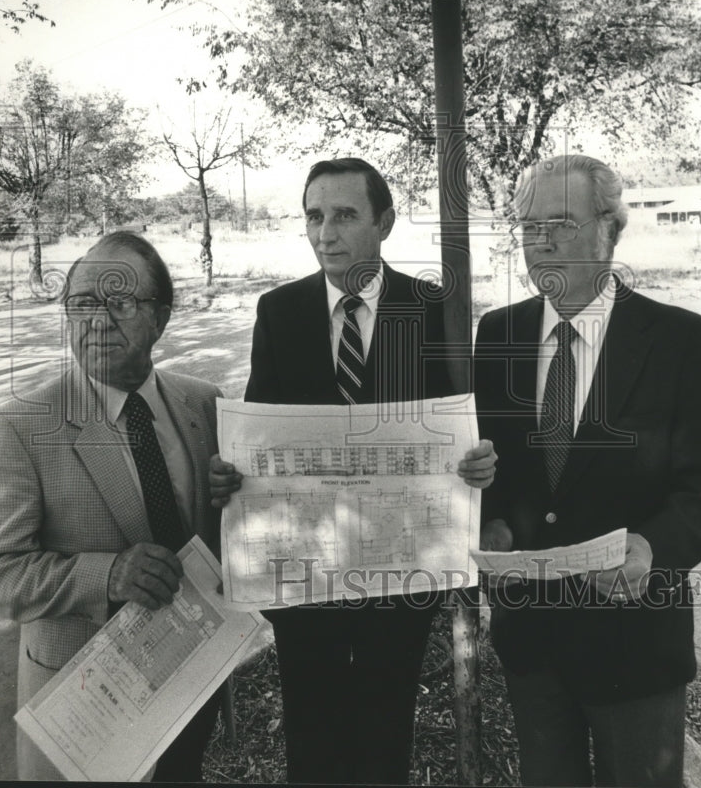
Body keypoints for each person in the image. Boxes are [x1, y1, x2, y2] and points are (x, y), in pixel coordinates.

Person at [211, 157, 496, 785]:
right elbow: (259, 431)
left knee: (384, 729)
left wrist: (477, 461)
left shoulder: (433, 311)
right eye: (314, 216)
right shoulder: (279, 312)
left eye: (344, 215)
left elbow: (459, 424)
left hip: (399, 572)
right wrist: (230, 472)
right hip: (304, 570)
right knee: (311, 733)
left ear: (384, 222)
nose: (325, 233)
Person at [473, 155, 701, 788]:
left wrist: (653, 548)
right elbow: (489, 471)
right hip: (532, 642)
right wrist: (490, 519)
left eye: (561, 223)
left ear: (612, 228)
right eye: (529, 227)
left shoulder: (681, 340)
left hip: (633, 647)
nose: (541, 242)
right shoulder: (496, 335)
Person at [0, 231, 241, 782]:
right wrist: (108, 575)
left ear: (161, 317)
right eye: (81, 303)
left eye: (120, 302)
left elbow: (216, 529)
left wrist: (237, 502)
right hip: (86, 707)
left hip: (193, 679)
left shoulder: (204, 402)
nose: (97, 321)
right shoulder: (22, 425)